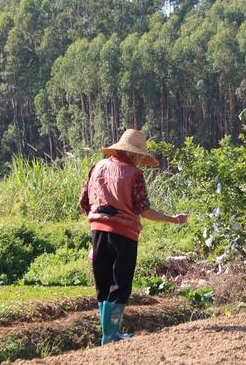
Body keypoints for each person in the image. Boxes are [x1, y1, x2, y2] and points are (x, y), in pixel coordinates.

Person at [79, 129, 188, 345]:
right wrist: (174, 219)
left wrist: (98, 230)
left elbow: (84, 201)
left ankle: (107, 335)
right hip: (123, 235)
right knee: (120, 285)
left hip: (97, 231)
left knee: (103, 284)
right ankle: (111, 335)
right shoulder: (134, 174)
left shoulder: (97, 167)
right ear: (136, 154)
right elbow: (144, 210)